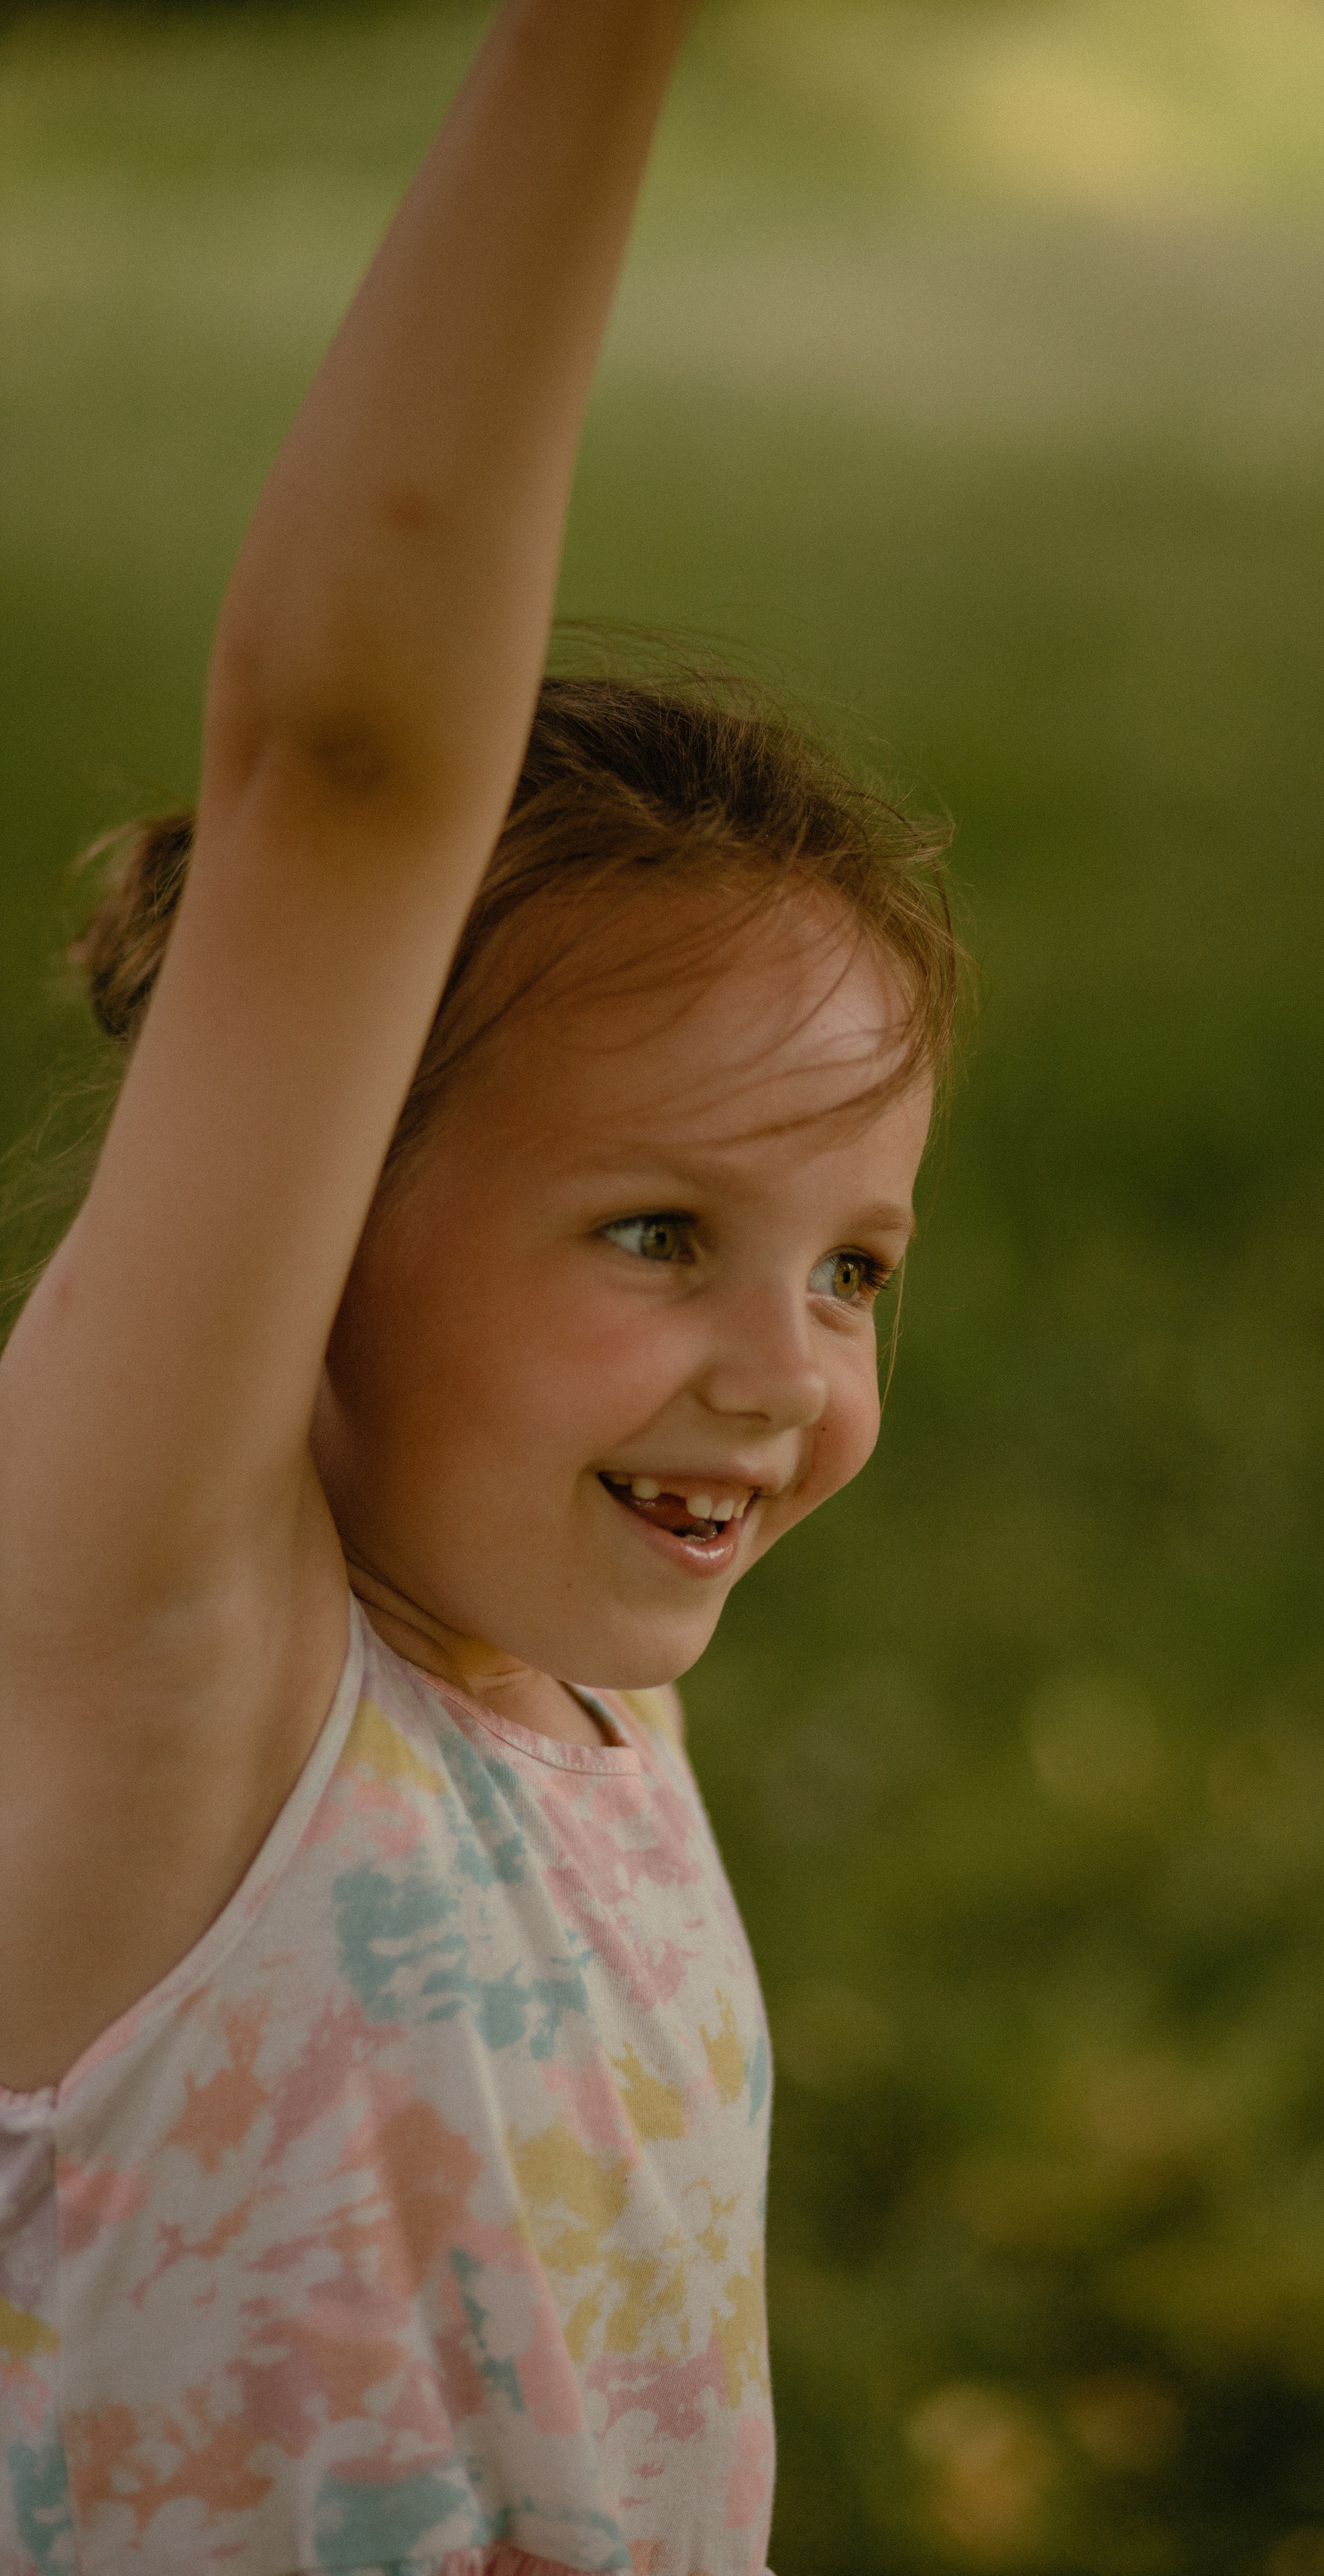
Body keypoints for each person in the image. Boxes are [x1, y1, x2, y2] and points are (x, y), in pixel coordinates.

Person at [0, 5, 961, 2570]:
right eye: (661, 1233)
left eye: (854, 1265)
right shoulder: (172, 1694)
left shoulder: (568, 1703)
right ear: (313, 1202)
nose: (784, 1372)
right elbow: (347, 760)